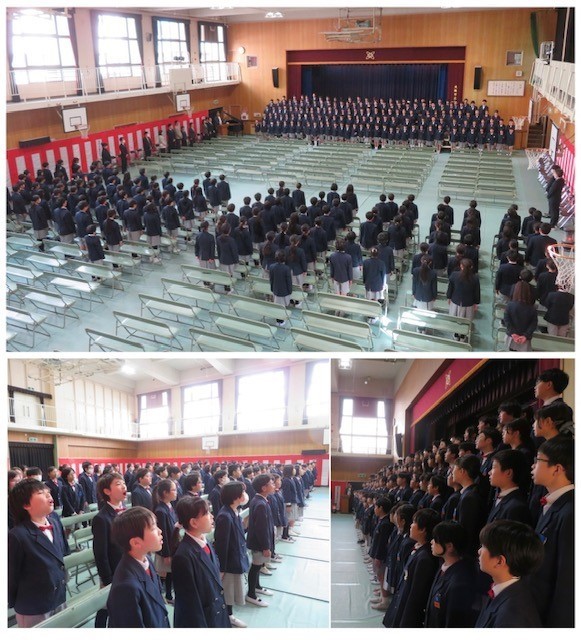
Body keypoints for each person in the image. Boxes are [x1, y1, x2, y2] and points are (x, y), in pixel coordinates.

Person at [8, 479, 70, 627]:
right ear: (26, 505)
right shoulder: (17, 535)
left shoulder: (55, 523)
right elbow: (11, 574)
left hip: (59, 596)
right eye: (41, 493)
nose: (49, 495)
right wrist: (14, 601)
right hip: (34, 605)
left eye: (48, 492)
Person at [529, 437, 574, 627]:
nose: (533, 466)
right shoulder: (555, 504)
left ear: (557, 469)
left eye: (538, 460)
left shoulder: (570, 513)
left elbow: (567, 582)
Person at [107, 506, 170, 627]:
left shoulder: (146, 559)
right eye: (153, 528)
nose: (160, 531)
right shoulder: (125, 587)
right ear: (136, 542)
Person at [475, 520, 544, 627]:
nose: (479, 551)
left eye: (484, 547)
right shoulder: (508, 591)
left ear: (499, 561)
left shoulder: (513, 616)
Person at [383, 508, 441, 627]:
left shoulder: (424, 559)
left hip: (407, 610)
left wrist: (405, 622)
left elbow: (415, 596)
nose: (410, 525)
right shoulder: (417, 547)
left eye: (414, 522)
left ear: (423, 529)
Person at [425, 521, 486, 627]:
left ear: (449, 546)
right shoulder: (444, 567)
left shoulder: (460, 583)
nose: (431, 542)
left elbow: (453, 622)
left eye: (436, 540)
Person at [213, 482, 251, 627]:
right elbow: (222, 545)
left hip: (237, 557)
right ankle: (228, 616)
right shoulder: (225, 516)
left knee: (231, 590)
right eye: (243, 492)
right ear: (236, 496)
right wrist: (221, 568)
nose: (245, 495)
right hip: (229, 562)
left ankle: (229, 615)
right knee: (228, 591)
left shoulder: (234, 511)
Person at [92, 472, 127, 628]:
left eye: (123, 483)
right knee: (106, 606)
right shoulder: (102, 518)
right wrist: (107, 580)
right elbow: (101, 554)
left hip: (126, 568)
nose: (123, 486)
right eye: (118, 484)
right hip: (113, 571)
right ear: (107, 491)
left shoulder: (125, 511)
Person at [245, 473, 276, 608]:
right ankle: (251, 594)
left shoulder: (260, 500)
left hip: (259, 542)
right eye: (271, 483)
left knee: (258, 566)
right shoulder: (260, 504)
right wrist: (265, 547)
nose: (274, 485)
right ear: (264, 488)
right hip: (259, 543)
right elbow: (261, 529)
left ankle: (257, 586)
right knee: (256, 566)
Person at [486, 449, 532, 524]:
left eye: (493, 467)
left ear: (508, 473)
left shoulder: (516, 508)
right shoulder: (502, 498)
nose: (489, 472)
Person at [153, 479, 178, 605]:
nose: (176, 492)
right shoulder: (160, 510)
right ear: (165, 493)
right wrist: (167, 554)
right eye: (173, 490)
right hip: (165, 549)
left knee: (169, 573)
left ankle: (168, 595)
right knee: (163, 573)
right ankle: (160, 595)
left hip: (172, 546)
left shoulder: (169, 507)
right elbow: (164, 534)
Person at [446, 258, 480, 339]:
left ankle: (456, 334)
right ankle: (463, 335)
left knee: (456, 318)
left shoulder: (454, 275)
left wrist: (449, 297)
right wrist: (476, 303)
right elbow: (477, 292)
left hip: (456, 301)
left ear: (461, 266)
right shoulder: (475, 278)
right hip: (469, 303)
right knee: (466, 320)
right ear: (471, 267)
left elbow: (450, 288)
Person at [503, 280, 537, 351]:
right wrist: (525, 335)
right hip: (525, 339)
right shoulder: (532, 309)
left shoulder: (509, 305)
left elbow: (507, 321)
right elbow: (533, 324)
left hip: (512, 337)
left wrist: (513, 333)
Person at [269, 250, 292, 326]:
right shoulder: (286, 268)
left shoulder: (271, 267)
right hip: (284, 290)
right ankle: (281, 320)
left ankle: (278, 320)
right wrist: (290, 291)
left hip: (275, 289)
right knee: (283, 306)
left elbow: (271, 279)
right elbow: (289, 281)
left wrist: (272, 288)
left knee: (277, 305)